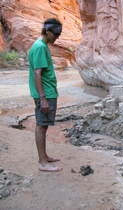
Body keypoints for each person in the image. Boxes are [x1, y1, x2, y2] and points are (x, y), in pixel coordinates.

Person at [28, 18, 63, 172]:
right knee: (41, 126)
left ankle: (44, 156)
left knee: (44, 125)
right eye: (55, 34)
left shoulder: (42, 45)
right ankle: (43, 162)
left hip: (48, 93)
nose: (57, 37)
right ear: (47, 32)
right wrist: (42, 98)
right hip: (45, 95)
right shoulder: (40, 47)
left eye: (59, 34)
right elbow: (37, 73)